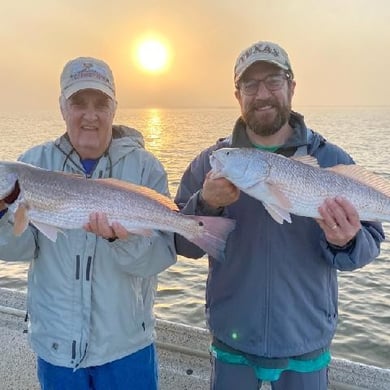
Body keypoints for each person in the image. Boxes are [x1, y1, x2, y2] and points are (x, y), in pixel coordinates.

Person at [174, 41, 385, 390]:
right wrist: (207, 205)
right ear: (237, 94)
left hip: (306, 340)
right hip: (232, 337)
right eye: (250, 85)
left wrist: (347, 241)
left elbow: (370, 244)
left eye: (273, 81)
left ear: (291, 86)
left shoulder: (331, 159)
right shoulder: (209, 162)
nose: (262, 94)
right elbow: (182, 244)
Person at [0, 57, 176, 389]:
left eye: (101, 103)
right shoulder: (33, 164)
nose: (90, 115)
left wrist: (123, 239)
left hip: (127, 348)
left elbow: (161, 257)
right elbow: (17, 248)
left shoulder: (146, 168)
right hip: (56, 348)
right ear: (62, 107)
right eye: (78, 103)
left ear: (114, 107)